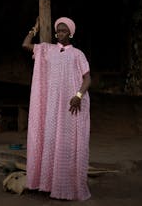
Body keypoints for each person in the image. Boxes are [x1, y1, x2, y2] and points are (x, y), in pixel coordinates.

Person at [22, 16, 91, 201]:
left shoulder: (78, 54)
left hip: (70, 105)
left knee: (67, 143)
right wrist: (34, 28)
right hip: (52, 105)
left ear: (71, 33)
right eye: (58, 30)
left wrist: (78, 96)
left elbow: (87, 79)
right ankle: (46, 183)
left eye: (63, 30)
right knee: (50, 140)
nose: (60, 33)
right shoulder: (48, 50)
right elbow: (26, 44)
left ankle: (67, 186)